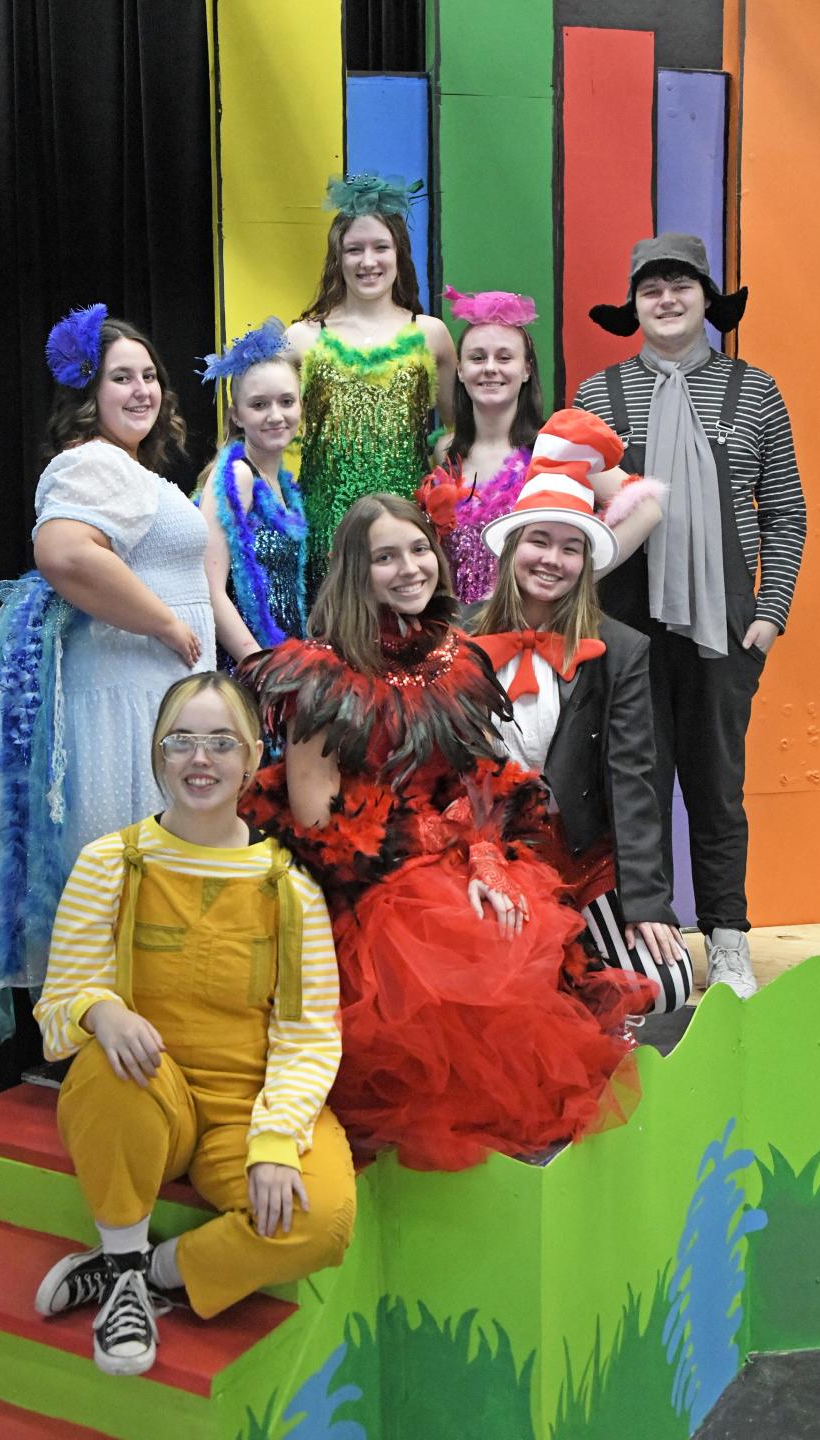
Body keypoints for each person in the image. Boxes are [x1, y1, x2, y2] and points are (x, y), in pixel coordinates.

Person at [238, 493, 657, 1174]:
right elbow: (321, 824)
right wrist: (443, 853)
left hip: (456, 854)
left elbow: (482, 775)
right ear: (354, 570)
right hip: (369, 882)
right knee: (460, 952)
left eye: (417, 550)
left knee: (519, 925)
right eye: (384, 557)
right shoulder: (321, 674)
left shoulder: (453, 655)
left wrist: (486, 855)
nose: (409, 568)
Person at [33, 672, 355, 1378]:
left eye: (220, 743)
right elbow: (59, 1003)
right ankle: (121, 1269)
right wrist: (101, 1010)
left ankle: (148, 1272)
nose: (199, 759)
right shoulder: (110, 862)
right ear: (158, 755)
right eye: (181, 741)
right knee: (103, 1063)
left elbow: (307, 1035)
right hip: (153, 1101)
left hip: (246, 1112)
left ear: (249, 759)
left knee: (322, 1221)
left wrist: (274, 1139)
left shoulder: (288, 886)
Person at [0, 304, 215, 1038]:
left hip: (155, 699)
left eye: (150, 376)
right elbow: (65, 553)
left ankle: (154, 1041)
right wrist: (164, 622)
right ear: (88, 394)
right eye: (120, 378)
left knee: (158, 890)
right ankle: (111, 1047)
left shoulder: (134, 473)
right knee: (125, 885)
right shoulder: (89, 463)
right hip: (123, 701)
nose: (142, 390)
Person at [574, 235, 806, 997]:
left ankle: (729, 936)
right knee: (631, 782)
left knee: (715, 784)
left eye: (680, 286)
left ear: (707, 299)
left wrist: (767, 617)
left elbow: (787, 514)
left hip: (725, 621)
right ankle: (654, 936)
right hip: (627, 618)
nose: (666, 300)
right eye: (651, 290)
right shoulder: (598, 396)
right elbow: (574, 512)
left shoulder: (755, 391)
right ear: (634, 307)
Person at [469, 409, 693, 1014]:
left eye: (570, 549)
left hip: (576, 854)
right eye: (539, 541)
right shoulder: (459, 639)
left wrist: (647, 901)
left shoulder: (620, 649)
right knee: (485, 981)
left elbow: (634, 778)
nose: (552, 560)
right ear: (514, 547)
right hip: (485, 846)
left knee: (665, 987)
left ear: (585, 565)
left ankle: (566, 988)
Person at [286, 173, 457, 592]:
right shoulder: (302, 338)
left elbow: (457, 433)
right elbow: (267, 428)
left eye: (380, 247)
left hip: (407, 530)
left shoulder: (430, 333)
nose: (368, 262)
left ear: (399, 254)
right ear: (337, 258)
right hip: (326, 531)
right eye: (354, 250)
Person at [418, 285, 544, 603]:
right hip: (457, 634)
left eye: (504, 357)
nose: (490, 368)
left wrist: (584, 570)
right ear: (460, 370)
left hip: (525, 631)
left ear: (526, 369)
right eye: (477, 357)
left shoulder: (550, 448)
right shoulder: (445, 451)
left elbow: (645, 507)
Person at [195, 317, 308, 664]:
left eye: (286, 401)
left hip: (286, 661)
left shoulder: (286, 487)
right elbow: (208, 589)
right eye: (259, 405)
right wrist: (257, 665)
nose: (276, 415)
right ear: (237, 416)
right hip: (247, 668)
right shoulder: (236, 476)